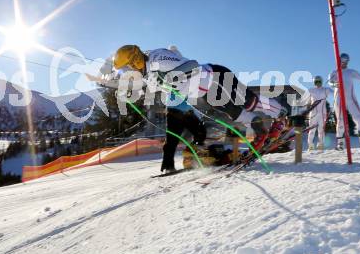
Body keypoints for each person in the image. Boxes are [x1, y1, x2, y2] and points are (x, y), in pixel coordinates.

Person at [113, 45, 287, 173]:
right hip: (206, 91)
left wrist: (172, 77)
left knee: (249, 102)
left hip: (215, 76)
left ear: (135, 60)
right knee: (233, 113)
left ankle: (281, 115)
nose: (129, 72)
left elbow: (193, 66)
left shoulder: (158, 58)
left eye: (128, 67)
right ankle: (260, 129)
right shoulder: (146, 73)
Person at [328, 53, 360, 150]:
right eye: (343, 61)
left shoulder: (351, 72)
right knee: (340, 120)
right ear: (339, 60)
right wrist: (334, 84)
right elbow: (330, 82)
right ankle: (340, 143)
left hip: (351, 98)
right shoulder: (334, 72)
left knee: (359, 118)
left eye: (346, 61)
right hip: (339, 98)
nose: (344, 63)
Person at [306, 75, 332, 151]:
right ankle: (310, 146)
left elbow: (334, 92)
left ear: (321, 82)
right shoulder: (311, 90)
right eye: (316, 82)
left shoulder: (325, 89)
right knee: (312, 130)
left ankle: (321, 145)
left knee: (321, 130)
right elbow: (305, 100)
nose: (318, 83)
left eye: (319, 81)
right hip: (313, 113)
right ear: (314, 82)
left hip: (322, 113)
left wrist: (336, 85)